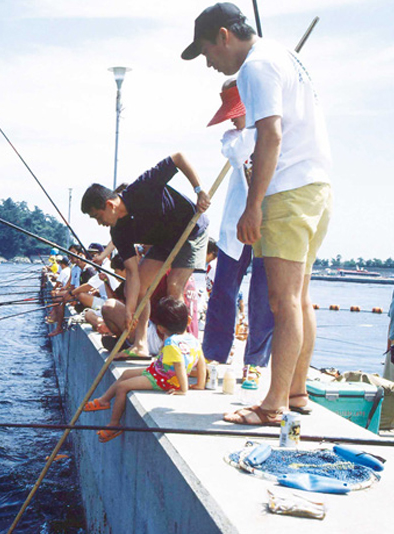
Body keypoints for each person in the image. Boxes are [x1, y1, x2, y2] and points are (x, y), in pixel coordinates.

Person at [182, 2, 332, 425]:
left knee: (282, 302)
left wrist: (253, 206)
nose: (209, 63)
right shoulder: (286, 55)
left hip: (287, 192)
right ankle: (296, 393)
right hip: (318, 185)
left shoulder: (255, 66)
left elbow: (271, 134)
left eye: (207, 51)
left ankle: (272, 406)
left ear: (224, 36)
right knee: (299, 299)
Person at [81, 153, 211, 359]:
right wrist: (130, 311)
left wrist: (199, 190)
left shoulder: (143, 187)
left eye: (98, 216)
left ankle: (178, 348)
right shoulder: (118, 232)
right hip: (164, 241)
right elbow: (132, 272)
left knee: (174, 287)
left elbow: (178, 158)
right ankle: (140, 345)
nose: (100, 223)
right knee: (142, 285)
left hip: (190, 229)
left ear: (110, 205)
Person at [200, 78, 274, 390]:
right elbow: (240, 148)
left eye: (236, 111)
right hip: (235, 227)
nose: (231, 117)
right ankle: (213, 356)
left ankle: (255, 364)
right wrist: (250, 124)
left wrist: (259, 120)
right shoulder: (233, 137)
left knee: (262, 296)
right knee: (223, 293)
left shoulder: (272, 133)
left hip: (267, 225)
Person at [83, 296, 206, 443]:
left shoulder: (171, 343)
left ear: (160, 327)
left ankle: (114, 424)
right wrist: (200, 384)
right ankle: (104, 400)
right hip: (161, 371)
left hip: (163, 379)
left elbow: (179, 365)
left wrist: (183, 389)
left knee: (123, 387)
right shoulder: (193, 340)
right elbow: (201, 363)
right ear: (189, 320)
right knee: (126, 373)